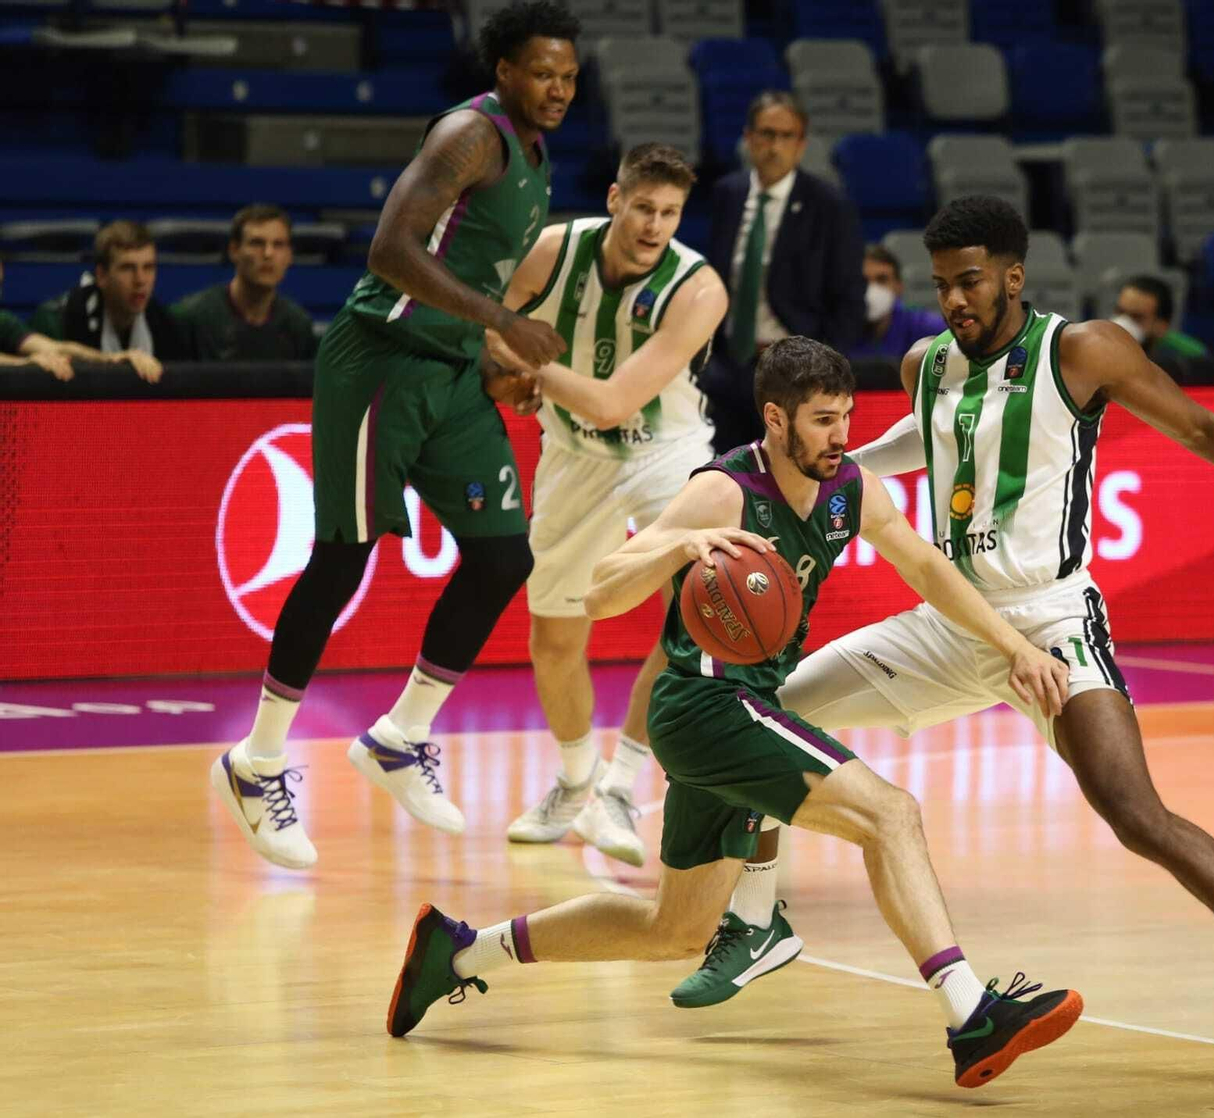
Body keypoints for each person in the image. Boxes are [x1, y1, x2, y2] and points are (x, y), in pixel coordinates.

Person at [677, 197, 1214, 1077]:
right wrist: (772, 467)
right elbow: (919, 444)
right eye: (941, 285)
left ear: (1013, 275)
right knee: (761, 715)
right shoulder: (923, 363)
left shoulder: (1080, 350)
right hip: (951, 626)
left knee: (1134, 814)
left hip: (1051, 620)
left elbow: (1197, 425)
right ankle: (755, 923)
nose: (954, 300)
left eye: (970, 281)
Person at [387, 336, 1084, 1090]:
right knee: (891, 814)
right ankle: (969, 1014)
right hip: (707, 701)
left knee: (674, 929)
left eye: (846, 417)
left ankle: (455, 953)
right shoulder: (724, 489)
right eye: (822, 420)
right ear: (776, 420)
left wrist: (1016, 646)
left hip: (737, 710)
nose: (840, 435)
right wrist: (680, 542)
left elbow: (924, 566)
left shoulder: (852, 488)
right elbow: (600, 591)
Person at [207, 0, 581, 870]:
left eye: (568, 76)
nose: (557, 88)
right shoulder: (470, 136)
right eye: (541, 72)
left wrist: (491, 352)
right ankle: (256, 762)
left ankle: (398, 737)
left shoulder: (533, 149)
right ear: (503, 72)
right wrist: (502, 320)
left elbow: (464, 265)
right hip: (380, 359)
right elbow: (390, 250)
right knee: (343, 556)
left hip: (449, 372)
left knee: (501, 557)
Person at [479, 142, 726, 866]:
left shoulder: (698, 288)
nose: (655, 224)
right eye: (644, 207)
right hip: (572, 455)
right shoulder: (553, 251)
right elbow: (485, 320)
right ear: (615, 199)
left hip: (667, 452)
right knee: (553, 632)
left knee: (692, 617)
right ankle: (576, 781)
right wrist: (502, 364)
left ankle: (622, 786)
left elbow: (619, 401)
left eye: (670, 212)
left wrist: (526, 366)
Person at [702, 91, 864, 452]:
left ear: (802, 144)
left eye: (786, 136)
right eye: (766, 133)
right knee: (722, 475)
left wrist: (825, 372)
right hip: (727, 366)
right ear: (748, 138)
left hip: (794, 371)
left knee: (788, 479)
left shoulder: (829, 205)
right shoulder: (727, 193)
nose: (774, 145)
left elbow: (849, 298)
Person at [29, 220, 192, 371]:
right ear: (101, 276)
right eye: (127, 268)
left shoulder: (165, 325)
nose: (140, 280)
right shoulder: (56, 322)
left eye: (148, 267)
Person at [175, 203, 318, 361]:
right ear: (234, 250)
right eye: (257, 243)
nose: (268, 254)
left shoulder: (298, 325)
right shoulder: (193, 318)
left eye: (278, 245)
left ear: (289, 255)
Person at [848, 243, 945, 362]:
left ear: (899, 286)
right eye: (863, 281)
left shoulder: (925, 326)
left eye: (882, 280)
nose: (871, 289)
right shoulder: (834, 329)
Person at [1111, 275, 1207, 363]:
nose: (1122, 322)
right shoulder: (1100, 347)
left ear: (1162, 326)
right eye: (1119, 311)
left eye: (1136, 317)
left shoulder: (1190, 356)